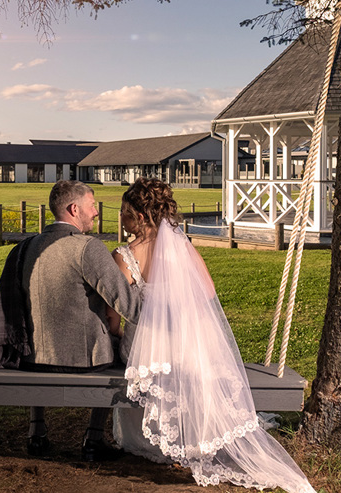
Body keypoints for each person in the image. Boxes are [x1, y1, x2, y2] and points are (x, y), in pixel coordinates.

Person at [110, 178, 317, 493]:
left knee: (135, 357)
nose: (121, 218)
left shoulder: (124, 256)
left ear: (140, 217)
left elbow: (116, 312)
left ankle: (153, 438)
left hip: (145, 349)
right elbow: (208, 292)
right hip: (186, 344)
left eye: (125, 212)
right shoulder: (182, 245)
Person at [0, 180, 140, 462]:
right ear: (74, 209)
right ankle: (93, 438)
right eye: (92, 206)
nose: (96, 212)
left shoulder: (25, 248)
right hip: (86, 361)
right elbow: (128, 304)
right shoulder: (89, 248)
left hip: (31, 359)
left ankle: (36, 430)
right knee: (117, 346)